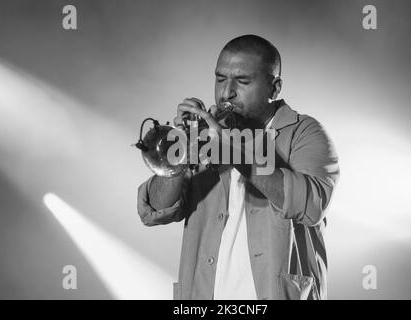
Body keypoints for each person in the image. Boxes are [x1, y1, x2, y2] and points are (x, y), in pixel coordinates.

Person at [137, 35, 339, 300]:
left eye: (242, 81)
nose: (226, 92)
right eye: (220, 79)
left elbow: (311, 206)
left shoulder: (305, 132)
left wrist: (234, 152)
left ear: (274, 88)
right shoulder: (204, 134)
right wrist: (182, 151)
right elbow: (156, 211)